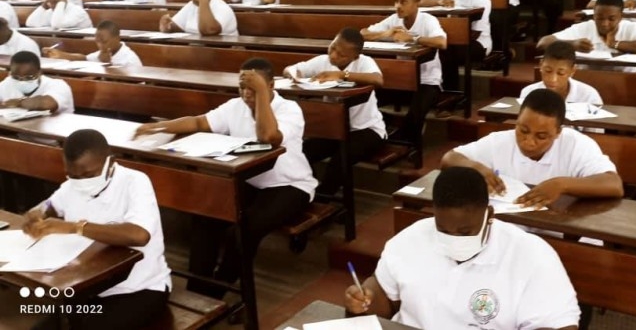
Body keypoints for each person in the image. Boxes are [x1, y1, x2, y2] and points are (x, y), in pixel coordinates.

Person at [134, 58, 317, 299]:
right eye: (242, 87)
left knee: (243, 231)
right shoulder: (235, 106)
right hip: (249, 180)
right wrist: (159, 127)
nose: (246, 93)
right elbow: (199, 122)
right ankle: (197, 291)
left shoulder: (289, 109)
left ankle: (216, 292)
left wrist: (261, 95)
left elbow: (268, 137)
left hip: (289, 185)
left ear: (271, 85)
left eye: (253, 87)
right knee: (206, 217)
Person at [343, 166, 581, 329]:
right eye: (443, 229)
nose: (454, 238)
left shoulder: (531, 255)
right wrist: (363, 300)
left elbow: (559, 324)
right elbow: (383, 296)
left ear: (489, 215)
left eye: (465, 232)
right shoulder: (410, 239)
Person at [23, 129, 171, 330]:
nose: (81, 181)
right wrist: (37, 212)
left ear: (110, 162)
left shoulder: (135, 182)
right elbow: (50, 205)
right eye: (73, 175)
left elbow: (139, 234)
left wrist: (75, 227)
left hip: (138, 289)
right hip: (88, 287)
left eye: (89, 175)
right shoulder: (72, 186)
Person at [442, 89, 623, 205]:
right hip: (512, 227)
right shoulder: (499, 141)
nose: (528, 142)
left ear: (558, 132)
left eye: (541, 136)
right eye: (523, 130)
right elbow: (449, 158)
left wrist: (562, 185)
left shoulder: (576, 144)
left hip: (559, 227)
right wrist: (475, 167)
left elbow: (613, 184)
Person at [285, 28, 387, 196]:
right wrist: (293, 75)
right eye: (332, 47)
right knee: (300, 153)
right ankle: (308, 190)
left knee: (340, 159)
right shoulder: (323, 61)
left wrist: (341, 74)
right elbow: (292, 69)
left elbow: (378, 79)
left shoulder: (364, 62)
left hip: (366, 130)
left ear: (355, 56)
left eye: (341, 55)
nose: (333, 55)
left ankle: (324, 199)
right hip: (335, 130)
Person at [361, 0, 447, 146]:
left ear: (417, 2)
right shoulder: (394, 19)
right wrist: (385, 33)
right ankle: (388, 125)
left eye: (403, 1)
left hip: (427, 82)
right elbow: (363, 33)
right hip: (401, 81)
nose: (398, 6)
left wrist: (413, 38)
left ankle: (407, 146)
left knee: (415, 114)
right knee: (365, 99)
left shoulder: (428, 20)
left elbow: (441, 42)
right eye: (396, 1)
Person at [420, 0, 491, 90]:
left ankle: (451, 92)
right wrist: (439, 1)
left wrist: (452, 33)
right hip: (451, 38)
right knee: (435, 48)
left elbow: (476, 33)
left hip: (478, 43)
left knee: (445, 50)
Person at [538, 0, 636, 55]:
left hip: (623, 83)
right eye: (599, 18)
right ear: (593, 15)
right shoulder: (584, 28)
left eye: (611, 19)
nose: (604, 23)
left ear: (621, 16)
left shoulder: (631, 28)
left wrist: (615, 44)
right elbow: (543, 43)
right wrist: (573, 44)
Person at [519, 41, 602, 103]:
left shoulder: (588, 96)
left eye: (561, 73)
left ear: (572, 71)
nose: (553, 79)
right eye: (548, 71)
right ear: (541, 65)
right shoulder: (529, 92)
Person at [44, 20, 143, 67]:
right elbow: (84, 58)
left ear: (117, 38)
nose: (100, 46)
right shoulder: (104, 52)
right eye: (97, 42)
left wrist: (108, 64)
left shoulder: (130, 59)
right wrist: (61, 54)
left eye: (104, 42)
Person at [0, 50, 73, 113]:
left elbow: (47, 104)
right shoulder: (7, 83)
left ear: (39, 73)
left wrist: (18, 103)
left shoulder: (58, 85)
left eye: (29, 77)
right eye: (16, 77)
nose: (22, 81)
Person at [26, 0, 92, 29]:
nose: (52, 6)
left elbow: (56, 25)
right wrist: (43, 7)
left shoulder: (77, 11)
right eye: (49, 2)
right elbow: (30, 23)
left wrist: (61, 2)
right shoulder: (51, 11)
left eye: (55, 2)